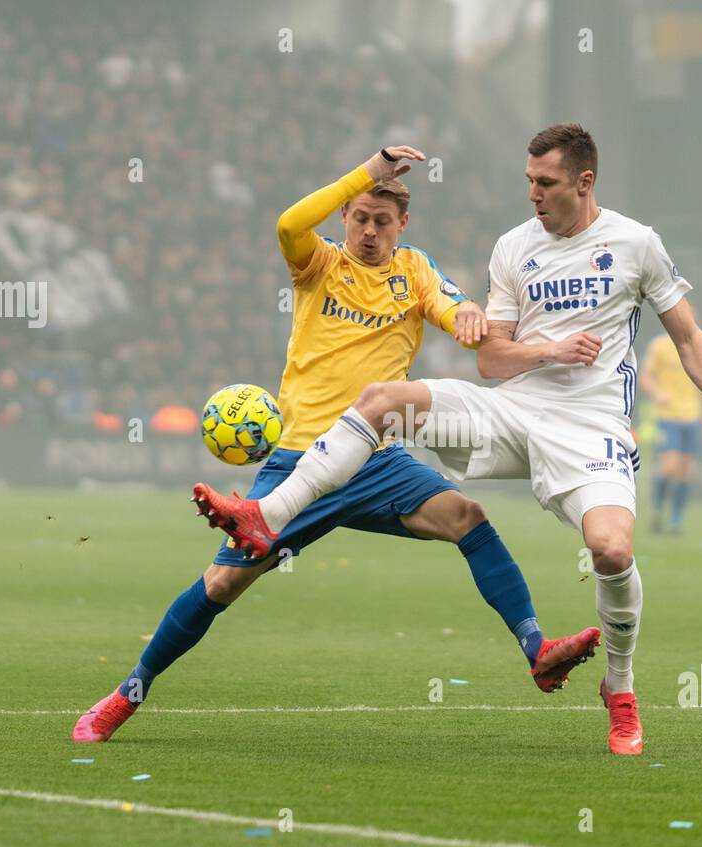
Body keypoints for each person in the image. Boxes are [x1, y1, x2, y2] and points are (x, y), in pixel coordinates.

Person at [203, 125, 702, 754]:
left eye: (546, 183)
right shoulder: (513, 248)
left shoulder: (636, 244)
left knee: (610, 551)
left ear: (584, 183)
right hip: (511, 410)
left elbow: (690, 336)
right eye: (529, 180)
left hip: (591, 428)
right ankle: (266, 514)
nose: (532, 193)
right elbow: (491, 362)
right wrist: (546, 349)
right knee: (384, 400)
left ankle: (620, 689)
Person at [73, 146, 600, 743]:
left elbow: (453, 309)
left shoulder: (414, 270)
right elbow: (287, 224)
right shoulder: (316, 264)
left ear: (403, 226)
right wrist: (367, 173)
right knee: (220, 586)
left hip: (377, 461)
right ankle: (127, 694)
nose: (369, 231)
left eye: (382, 222)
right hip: (300, 459)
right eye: (359, 218)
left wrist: (471, 316)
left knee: (467, 517)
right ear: (345, 218)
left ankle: (537, 648)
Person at [639, 333, 702, 534]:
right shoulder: (659, 346)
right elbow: (646, 376)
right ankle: (657, 511)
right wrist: (657, 394)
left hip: (692, 415)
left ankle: (676, 519)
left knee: (685, 472)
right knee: (668, 467)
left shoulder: (699, 346)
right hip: (667, 415)